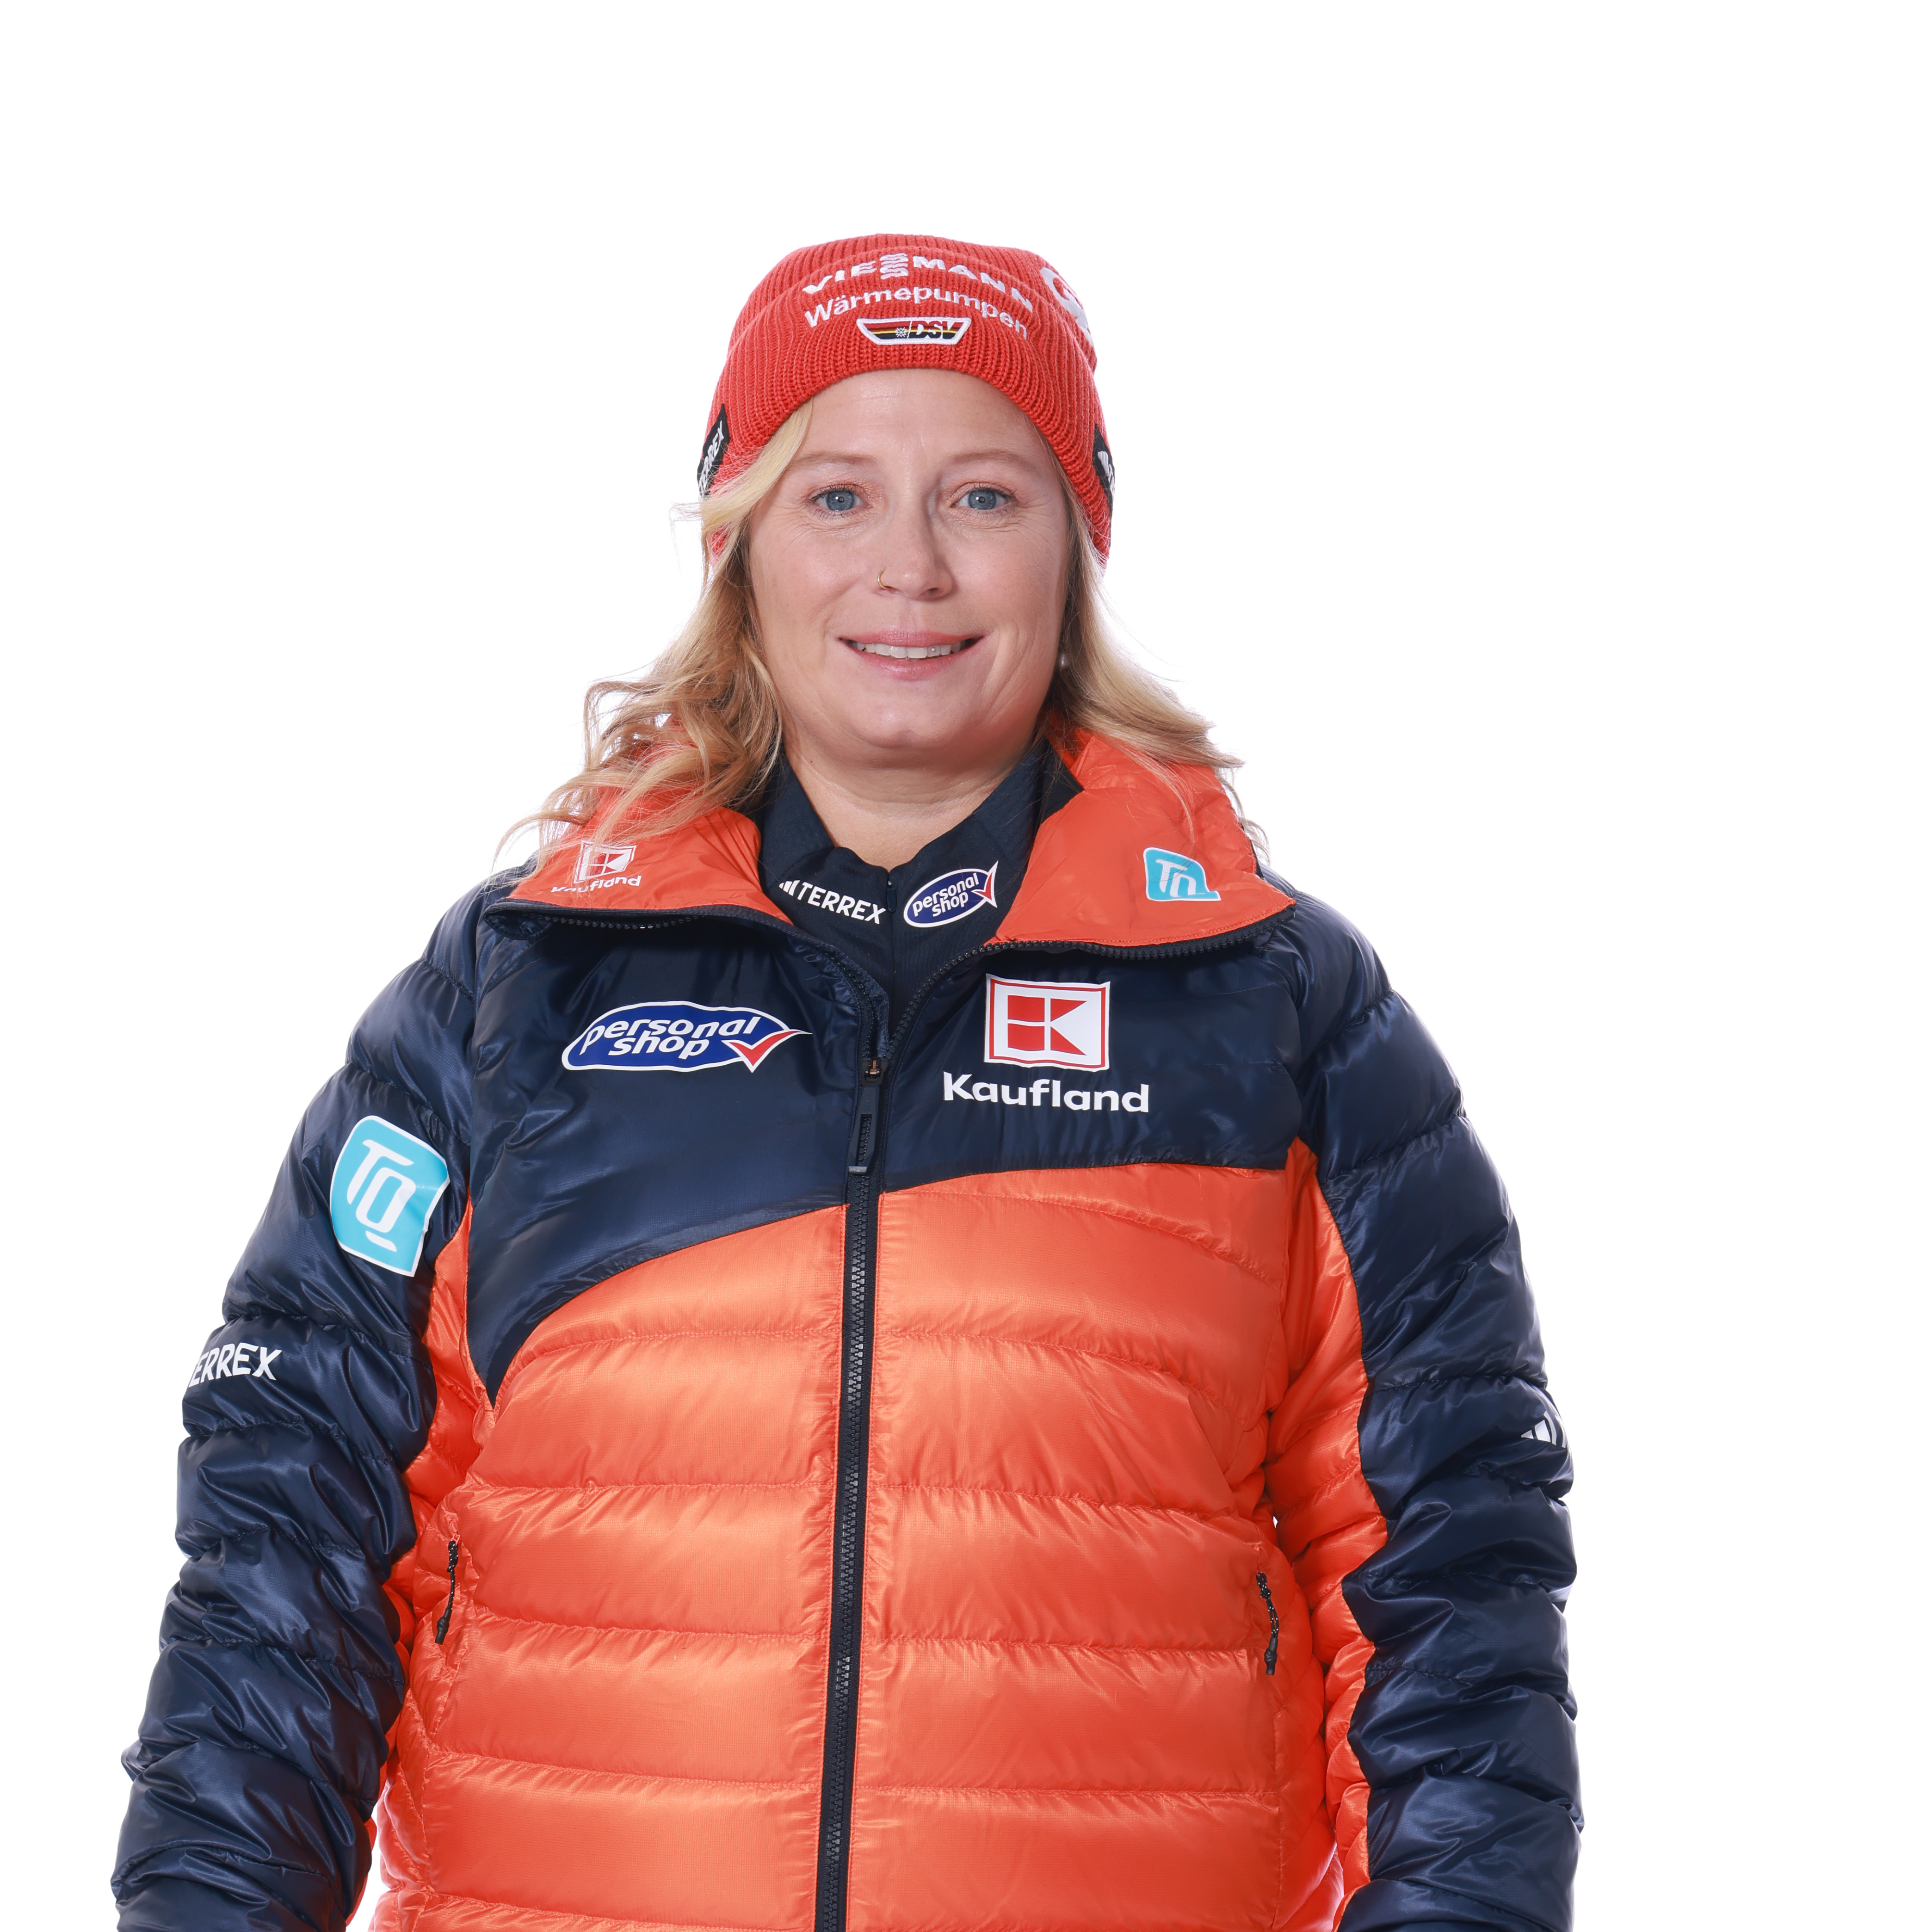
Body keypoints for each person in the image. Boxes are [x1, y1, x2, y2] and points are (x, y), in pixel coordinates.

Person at [114, 233, 1580, 1932]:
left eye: (982, 496)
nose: (910, 567)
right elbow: (289, 1538)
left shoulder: (1275, 1006)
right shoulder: (516, 985)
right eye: (835, 497)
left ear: (1074, 545)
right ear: (739, 546)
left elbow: (1450, 1572)